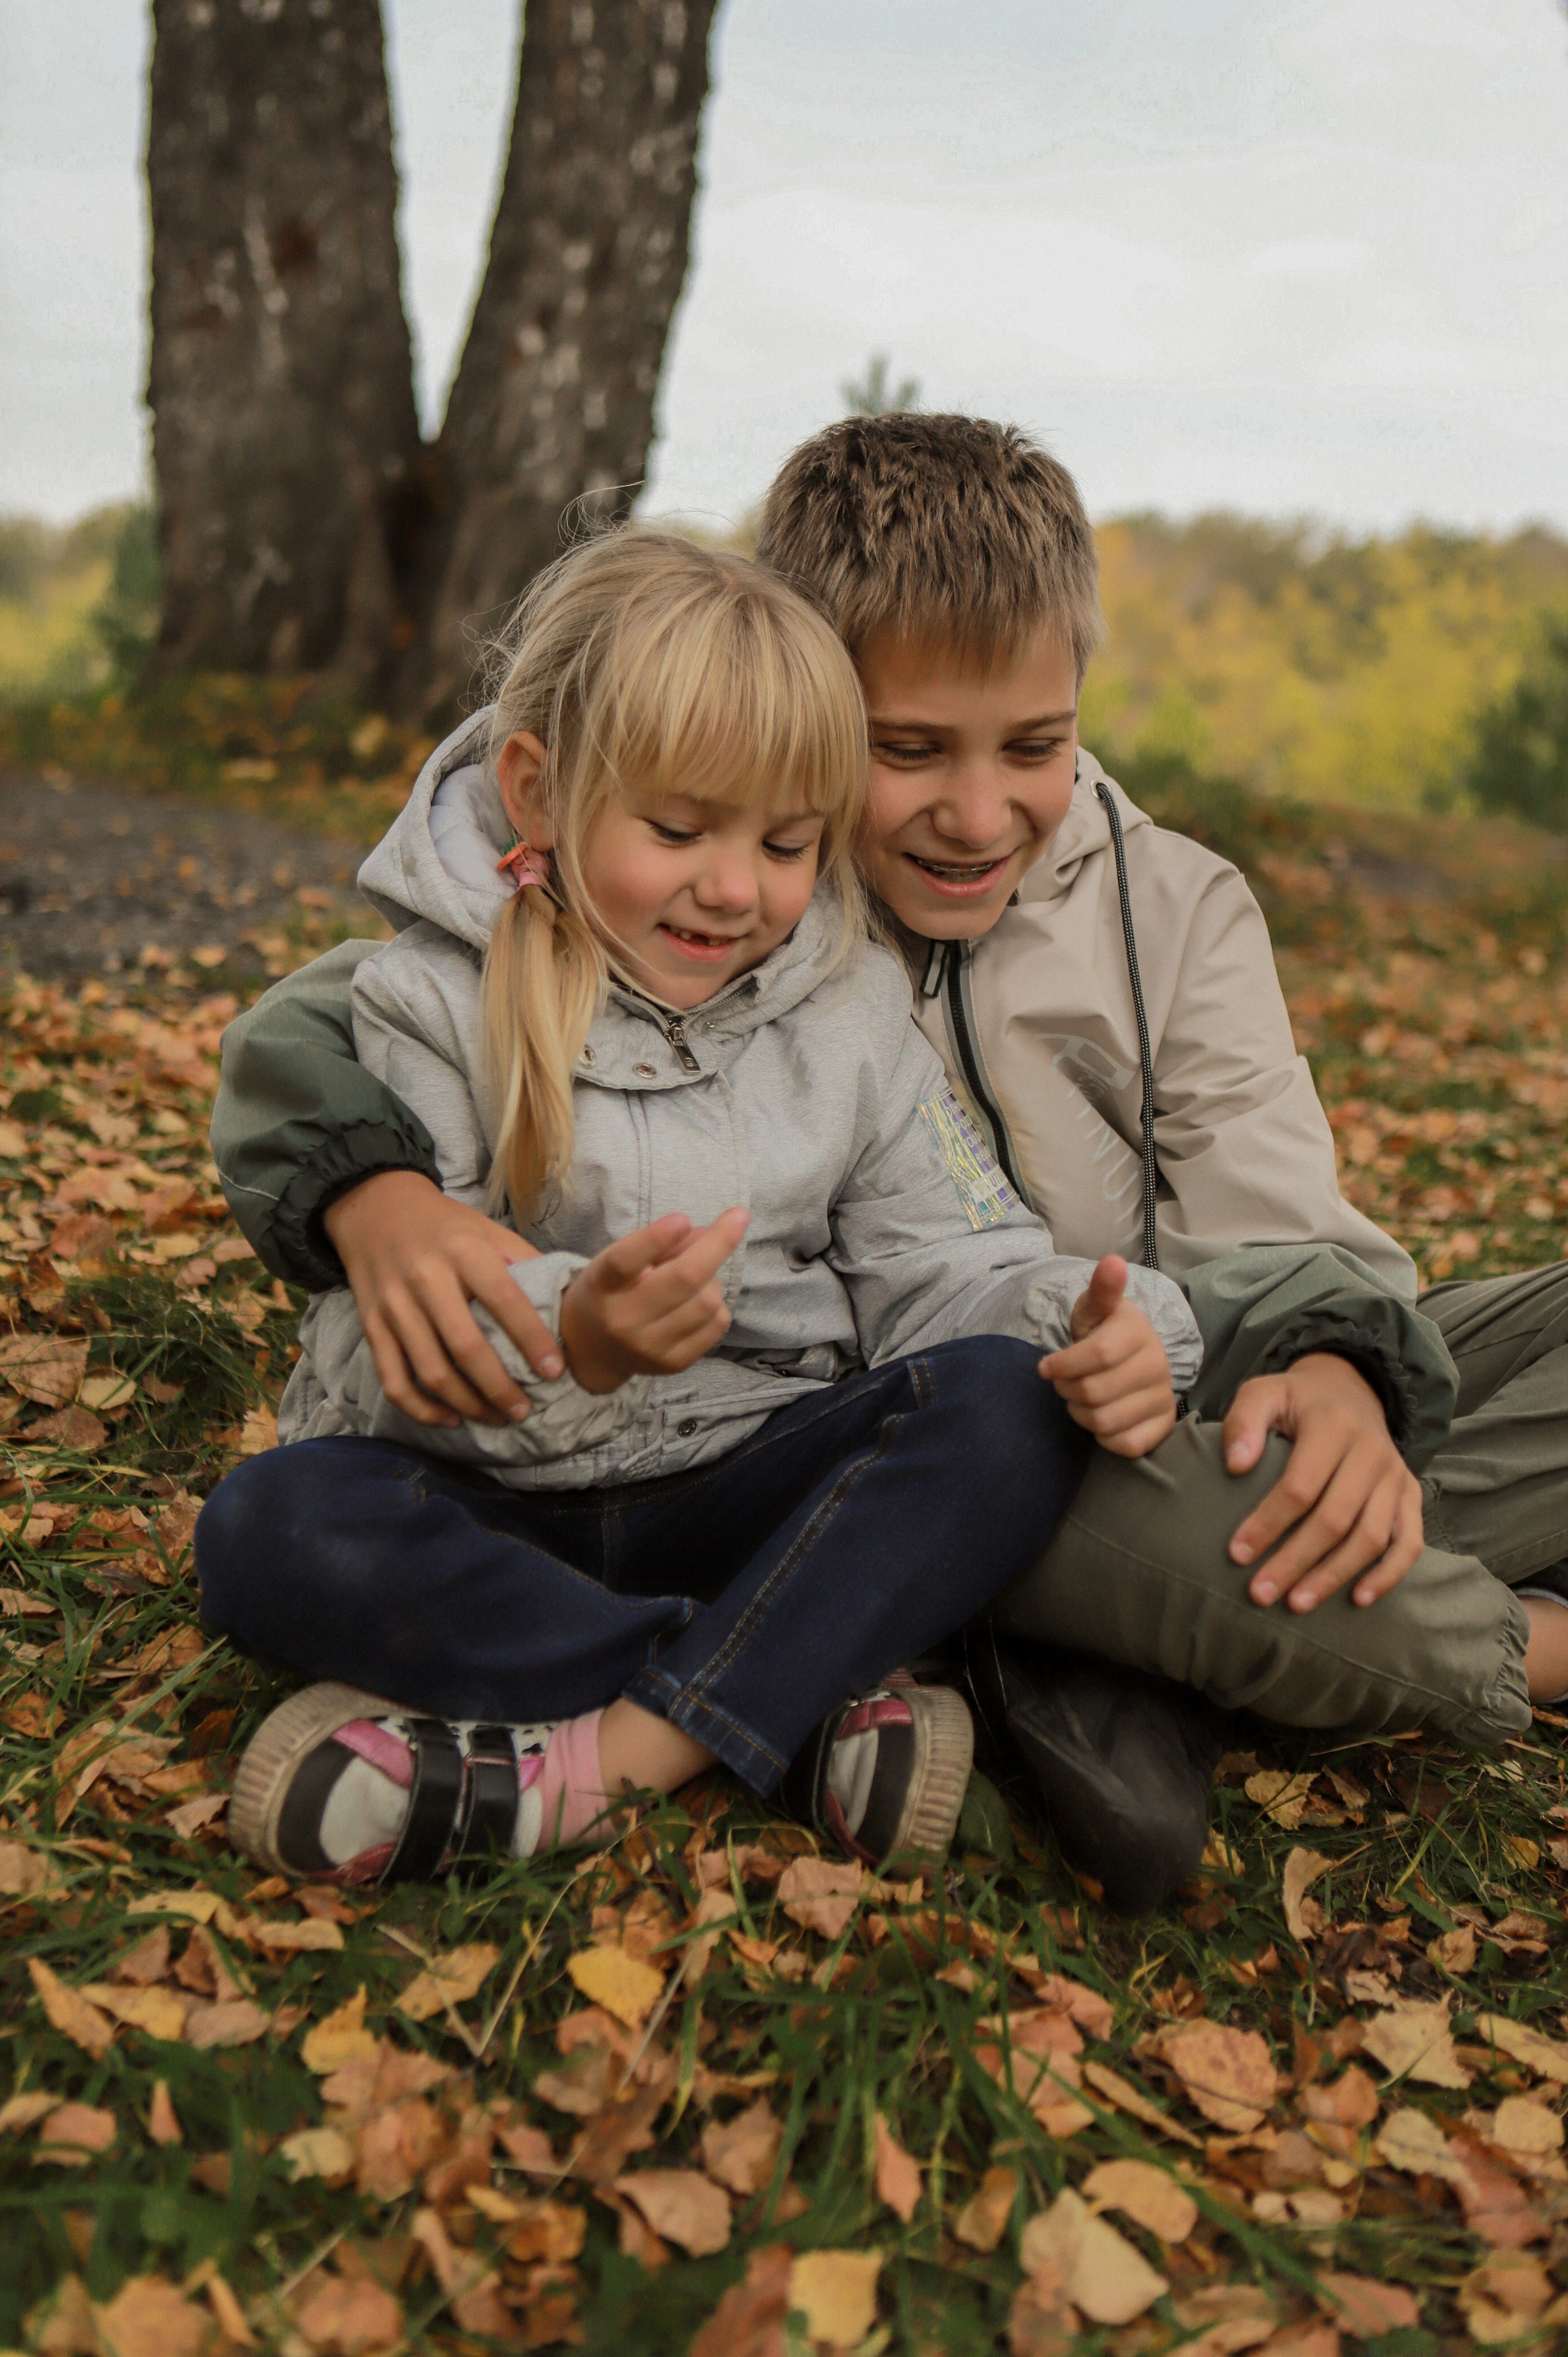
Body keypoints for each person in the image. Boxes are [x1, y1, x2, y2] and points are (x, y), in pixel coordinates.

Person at [209, 419, 1564, 1909]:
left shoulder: (1098, 928)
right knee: (279, 1523)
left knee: (1051, 1420)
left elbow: (1059, 1254)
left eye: (1033, 746)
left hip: (1037, 1408)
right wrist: (486, 1274)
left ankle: (763, 1692)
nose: (974, 814)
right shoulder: (598, 943)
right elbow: (327, 1042)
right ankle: (833, 1680)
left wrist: (1325, 1364)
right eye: (904, 751)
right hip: (798, 1475)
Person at [197, 527, 1205, 1889]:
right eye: (675, 831)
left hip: (748, 1473)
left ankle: (593, 1762)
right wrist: (582, 1336)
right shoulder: (424, 1004)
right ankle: (788, 1695)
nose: (733, 889)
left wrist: (1101, 1322)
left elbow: (947, 1261)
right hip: (487, 1494)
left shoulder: (848, 1016)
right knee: (273, 1528)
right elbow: (400, 1347)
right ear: (537, 791)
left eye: (786, 844)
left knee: (999, 1405)